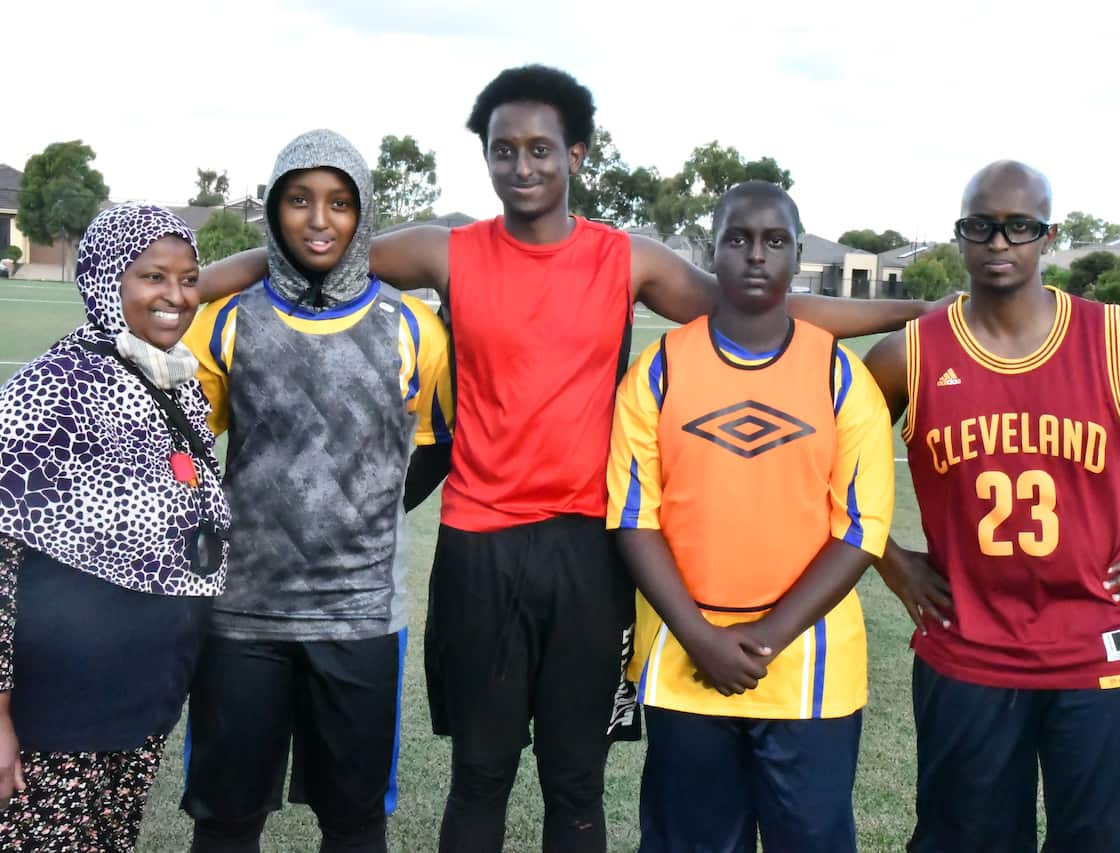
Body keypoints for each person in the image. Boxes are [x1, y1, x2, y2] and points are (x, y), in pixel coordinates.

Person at [198, 65, 939, 852]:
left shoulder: (628, 260)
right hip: (480, 545)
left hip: (590, 549)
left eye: (541, 150)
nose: (523, 167)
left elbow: (761, 303)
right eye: (503, 151)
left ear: (578, 154)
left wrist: (918, 311)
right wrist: (190, 282)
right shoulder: (447, 252)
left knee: (576, 780)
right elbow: (308, 248)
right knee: (480, 775)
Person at [863, 160, 1120, 853]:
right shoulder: (911, 355)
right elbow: (829, 463)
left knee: (1106, 841)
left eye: (1020, 227)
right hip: (970, 647)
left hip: (1099, 646)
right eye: (980, 226)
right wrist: (891, 562)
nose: (999, 242)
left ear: (1050, 235)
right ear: (961, 236)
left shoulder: (1112, 339)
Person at [180, 129, 452, 853]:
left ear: (363, 213)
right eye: (299, 200)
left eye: (339, 201)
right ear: (274, 210)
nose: (319, 219)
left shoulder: (412, 328)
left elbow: (436, 445)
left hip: (359, 615)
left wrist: (371, 508)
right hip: (242, 615)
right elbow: (187, 455)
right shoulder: (229, 321)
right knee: (227, 817)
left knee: (355, 820)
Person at [606, 181, 894, 851]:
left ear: (798, 255)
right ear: (713, 253)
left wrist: (767, 635)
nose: (755, 255)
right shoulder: (659, 371)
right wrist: (701, 636)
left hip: (808, 669)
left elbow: (860, 527)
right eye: (737, 239)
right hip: (686, 660)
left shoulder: (838, 375)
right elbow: (632, 516)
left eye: (773, 242)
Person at [0, 204, 231, 851]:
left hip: (142, 693)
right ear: (106, 278)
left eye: (189, 279)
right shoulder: (51, 391)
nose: (176, 296)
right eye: (153, 276)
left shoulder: (174, 381)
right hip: (58, 707)